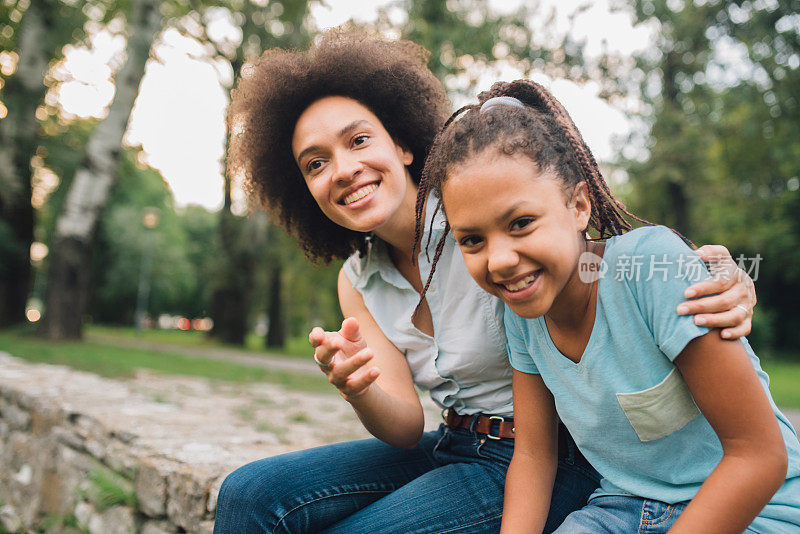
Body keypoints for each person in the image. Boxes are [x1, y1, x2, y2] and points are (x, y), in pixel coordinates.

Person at [214, 31, 757, 534]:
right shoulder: (357, 279)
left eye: (358, 140)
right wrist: (359, 389)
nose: (342, 169)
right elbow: (404, 426)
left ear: (403, 144)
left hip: (542, 453)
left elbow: (593, 264)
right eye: (315, 164)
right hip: (451, 443)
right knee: (248, 494)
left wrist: (714, 273)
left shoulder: (478, 220)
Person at [420, 78, 800, 533]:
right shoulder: (521, 318)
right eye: (472, 240)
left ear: (579, 205)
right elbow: (535, 456)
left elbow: (758, 455)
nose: (499, 260)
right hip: (622, 509)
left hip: (756, 509)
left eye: (521, 223)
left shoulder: (650, 268)